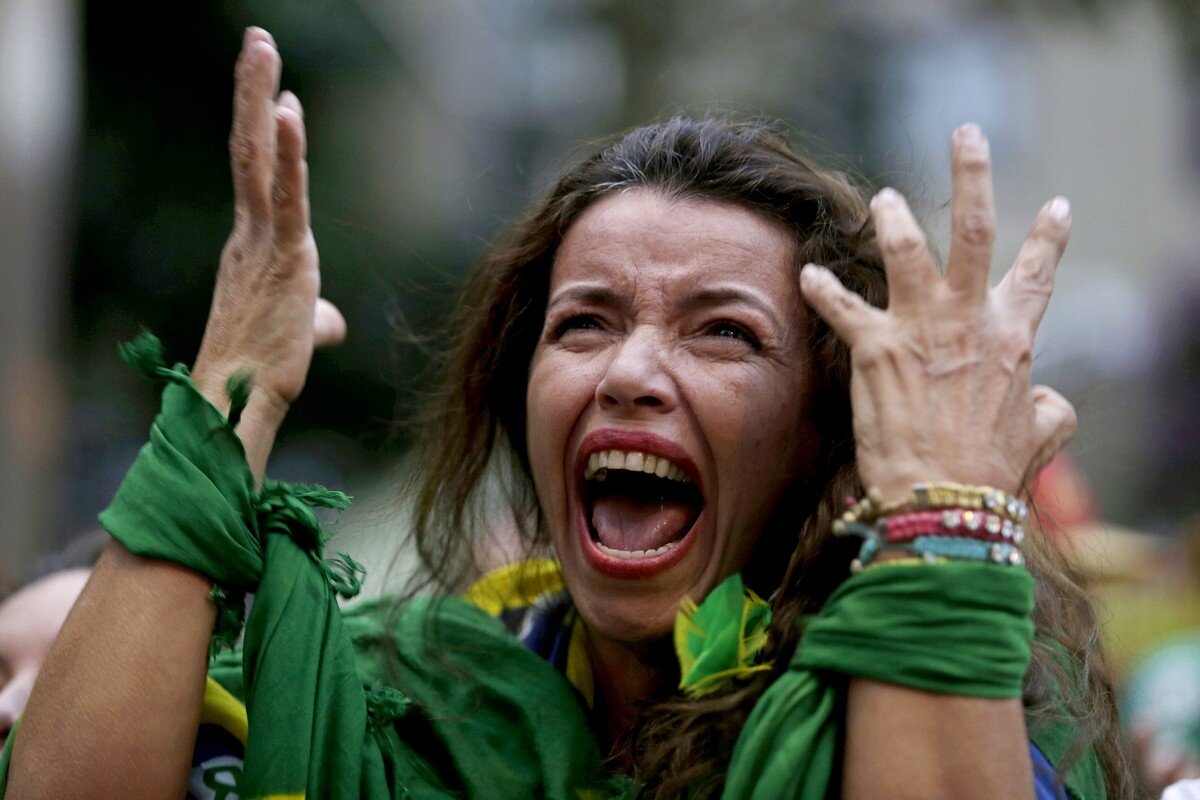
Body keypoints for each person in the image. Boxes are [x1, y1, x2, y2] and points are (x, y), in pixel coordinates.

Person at [3, 28, 1133, 799]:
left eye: (722, 333)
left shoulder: (935, 706)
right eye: (584, 322)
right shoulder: (400, 693)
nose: (629, 370)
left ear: (823, 440)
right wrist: (223, 400)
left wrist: (945, 519)